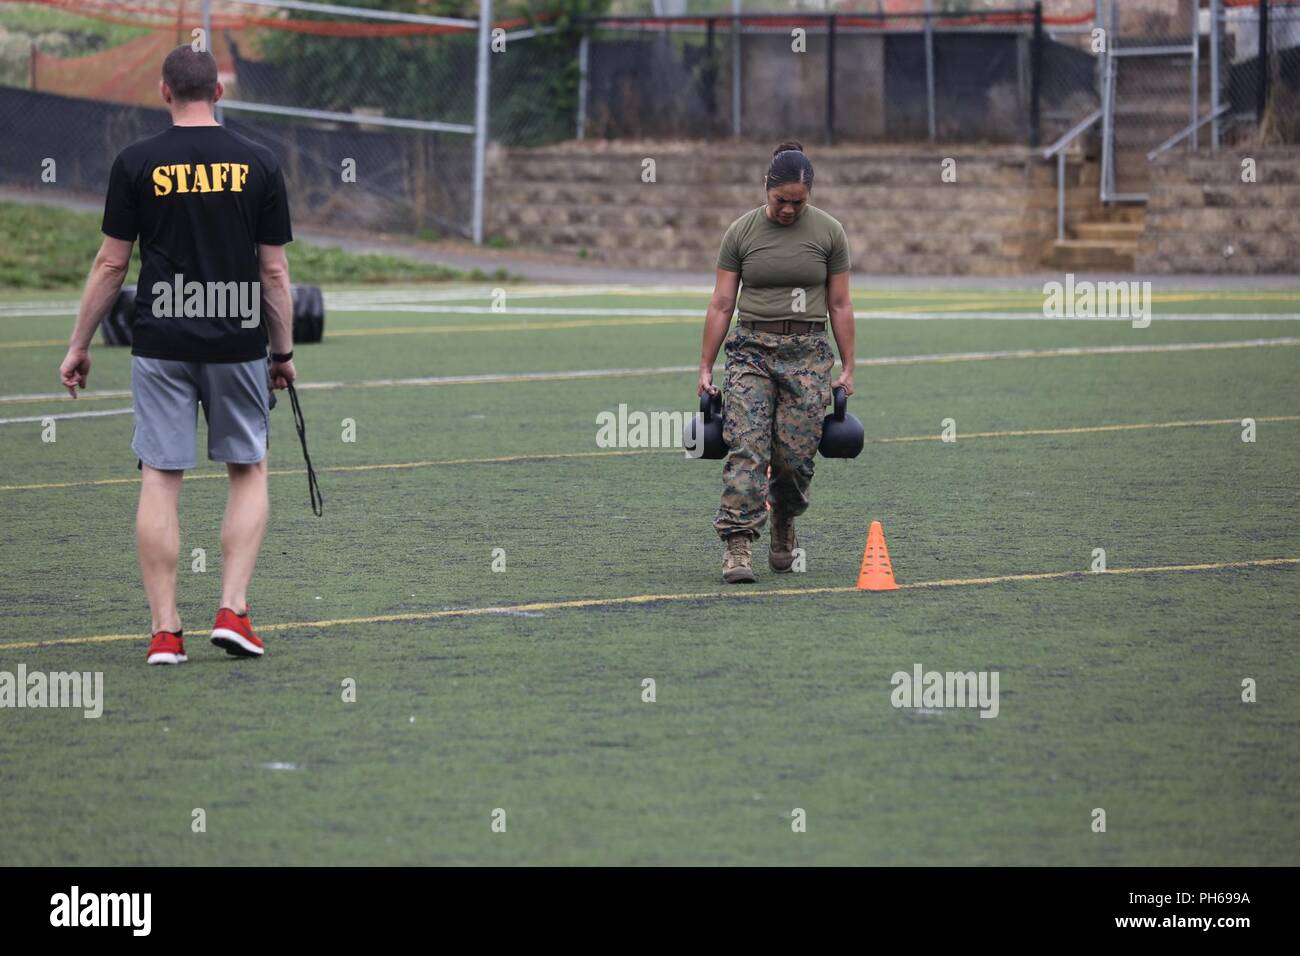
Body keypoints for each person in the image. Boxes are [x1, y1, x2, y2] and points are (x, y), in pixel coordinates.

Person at [57, 45, 297, 664]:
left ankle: (166, 632)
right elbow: (273, 273)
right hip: (237, 337)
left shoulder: (136, 161)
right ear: (218, 92)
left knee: (161, 479)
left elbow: (113, 262)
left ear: (164, 92)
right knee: (247, 469)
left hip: (160, 338)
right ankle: (233, 611)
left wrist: (80, 344)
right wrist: (283, 351)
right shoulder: (260, 162)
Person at [697, 141, 856, 584]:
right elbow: (722, 302)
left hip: (807, 353)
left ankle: (785, 518)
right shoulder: (741, 233)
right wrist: (706, 368)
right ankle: (737, 543)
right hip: (751, 351)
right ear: (765, 188)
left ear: (810, 194)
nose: (788, 209)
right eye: (780, 200)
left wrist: (848, 367)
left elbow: (840, 305)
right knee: (746, 445)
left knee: (795, 455)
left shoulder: (828, 233)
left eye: (797, 202)